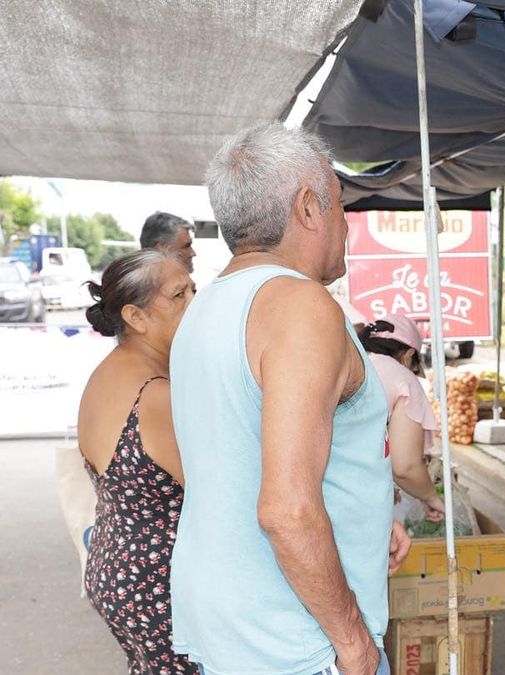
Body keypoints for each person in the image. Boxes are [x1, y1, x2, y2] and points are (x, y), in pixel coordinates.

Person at [169, 123, 403, 675]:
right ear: (307, 207)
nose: (347, 225)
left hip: (229, 624)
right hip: (296, 640)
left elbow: (232, 458)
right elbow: (286, 510)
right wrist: (353, 642)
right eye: (342, 205)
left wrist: (365, 523)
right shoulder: (301, 306)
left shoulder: (203, 309)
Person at [76, 249, 197, 674]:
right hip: (157, 585)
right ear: (136, 316)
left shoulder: (105, 374)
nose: (194, 304)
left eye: (193, 290)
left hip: (120, 570)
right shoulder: (157, 396)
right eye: (179, 295)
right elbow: (221, 492)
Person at [358, 314, 445, 517]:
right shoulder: (402, 378)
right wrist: (430, 496)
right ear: (409, 355)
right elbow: (405, 466)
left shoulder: (351, 361)